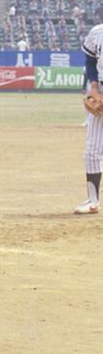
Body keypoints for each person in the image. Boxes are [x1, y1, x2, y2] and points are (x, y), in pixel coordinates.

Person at [75, 22, 103, 214]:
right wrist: (93, 86)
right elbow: (90, 59)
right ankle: (93, 200)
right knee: (92, 149)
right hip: (100, 89)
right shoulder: (97, 31)